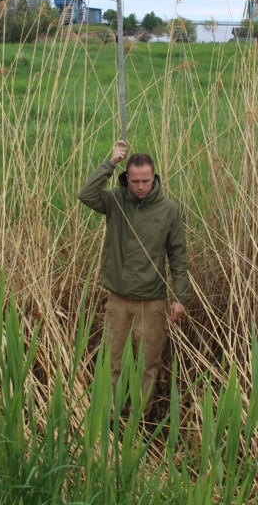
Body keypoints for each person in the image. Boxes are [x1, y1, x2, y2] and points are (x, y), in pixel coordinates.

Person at [78, 139, 190, 417]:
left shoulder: (168, 211)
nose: (141, 187)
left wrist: (180, 297)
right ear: (127, 178)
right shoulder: (115, 201)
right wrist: (111, 162)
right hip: (117, 301)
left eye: (146, 180)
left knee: (147, 367)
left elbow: (177, 256)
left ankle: (139, 421)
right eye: (135, 181)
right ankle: (113, 418)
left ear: (154, 178)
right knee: (114, 363)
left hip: (151, 304)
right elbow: (86, 194)